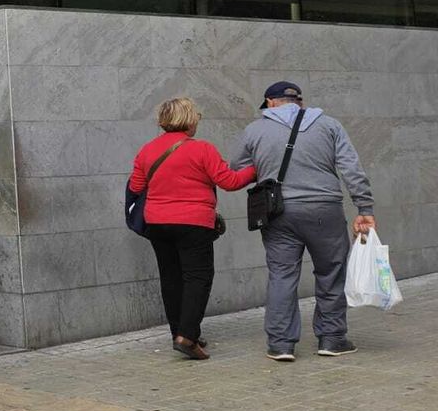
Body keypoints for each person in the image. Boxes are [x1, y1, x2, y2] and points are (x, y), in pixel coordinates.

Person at [232, 81, 375, 361]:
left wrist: (266, 165)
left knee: (282, 275)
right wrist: (364, 206)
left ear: (270, 103)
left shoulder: (255, 129)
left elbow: (236, 167)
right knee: (331, 272)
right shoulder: (330, 125)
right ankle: (332, 339)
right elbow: (350, 167)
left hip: (278, 212)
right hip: (325, 210)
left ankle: (281, 343)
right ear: (299, 102)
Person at [128, 96, 255, 361]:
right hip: (193, 223)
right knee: (197, 276)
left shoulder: (147, 150)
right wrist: (255, 169)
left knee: (171, 278)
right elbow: (229, 181)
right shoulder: (202, 149)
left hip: (157, 223)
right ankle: (187, 337)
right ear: (188, 119)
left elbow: (136, 187)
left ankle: (180, 332)